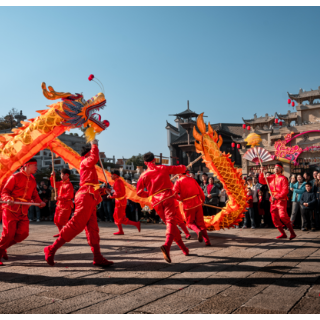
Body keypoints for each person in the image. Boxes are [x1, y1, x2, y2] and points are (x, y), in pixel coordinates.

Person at [44, 140, 113, 267]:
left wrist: (104, 190)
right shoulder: (85, 161)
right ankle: (51, 248)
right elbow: (94, 158)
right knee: (76, 225)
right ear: (88, 154)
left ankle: (97, 256)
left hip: (90, 198)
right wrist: (95, 145)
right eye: (92, 152)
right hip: (85, 197)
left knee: (93, 229)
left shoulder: (89, 166)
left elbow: (93, 186)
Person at [137, 152, 189, 263]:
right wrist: (185, 167)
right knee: (171, 222)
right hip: (167, 197)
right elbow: (176, 168)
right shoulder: (162, 168)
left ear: (145, 163)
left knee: (172, 225)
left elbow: (139, 193)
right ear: (154, 159)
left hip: (156, 202)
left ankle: (184, 249)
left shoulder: (143, 175)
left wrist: (150, 193)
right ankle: (167, 246)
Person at [0, 159, 45, 266]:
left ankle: (2, 248)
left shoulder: (33, 180)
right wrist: (7, 199)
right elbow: (5, 191)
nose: (36, 167)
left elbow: (34, 195)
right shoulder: (15, 177)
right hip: (11, 209)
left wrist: (40, 202)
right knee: (8, 234)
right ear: (27, 165)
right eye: (34, 165)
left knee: (23, 234)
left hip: (24, 210)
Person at [259, 163, 296, 240]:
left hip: (281, 200)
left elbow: (285, 191)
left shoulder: (283, 178)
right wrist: (261, 172)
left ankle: (292, 233)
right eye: (275, 168)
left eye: (278, 168)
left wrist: (277, 197)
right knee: (274, 219)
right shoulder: (271, 177)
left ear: (281, 169)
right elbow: (262, 181)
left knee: (283, 216)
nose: (276, 169)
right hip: (273, 201)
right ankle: (283, 233)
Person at [173, 171, 211, 246]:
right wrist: (202, 200)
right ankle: (207, 241)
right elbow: (200, 191)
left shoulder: (178, 181)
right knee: (201, 223)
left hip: (188, 205)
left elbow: (174, 194)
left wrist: (180, 199)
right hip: (197, 203)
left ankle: (197, 231)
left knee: (190, 223)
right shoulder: (192, 179)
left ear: (179, 174)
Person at [107, 171, 140, 235]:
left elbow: (119, 194)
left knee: (121, 218)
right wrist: (110, 192)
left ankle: (136, 224)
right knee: (116, 216)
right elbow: (117, 192)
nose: (111, 176)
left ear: (116, 175)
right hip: (119, 202)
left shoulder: (118, 182)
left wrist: (111, 196)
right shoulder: (117, 182)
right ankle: (120, 231)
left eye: (112, 175)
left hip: (120, 202)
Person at [50, 169, 74, 237]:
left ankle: (69, 231)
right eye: (61, 174)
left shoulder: (69, 184)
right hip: (59, 204)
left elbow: (70, 195)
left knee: (62, 220)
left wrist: (59, 198)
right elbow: (53, 185)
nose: (61, 176)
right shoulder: (60, 183)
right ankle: (61, 233)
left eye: (63, 175)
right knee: (56, 220)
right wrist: (52, 176)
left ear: (67, 175)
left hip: (66, 204)